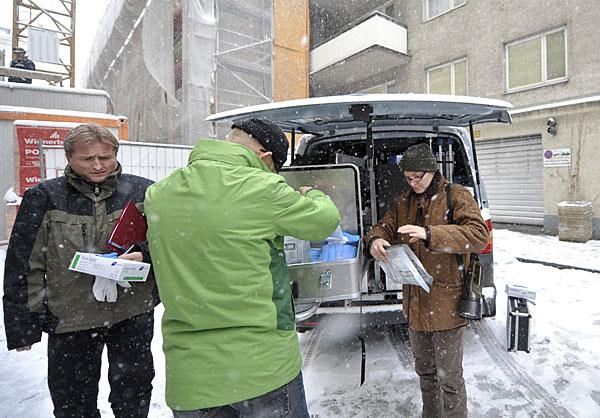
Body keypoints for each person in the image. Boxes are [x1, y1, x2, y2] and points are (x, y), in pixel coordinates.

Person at [145, 118, 340, 417]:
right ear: (265, 156)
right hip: (262, 366)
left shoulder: (160, 193)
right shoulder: (262, 187)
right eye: (274, 168)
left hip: (191, 376)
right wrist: (312, 193)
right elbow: (324, 220)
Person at [2, 123, 159, 418]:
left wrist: (144, 253)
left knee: (134, 395)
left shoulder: (144, 191)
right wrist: (23, 324)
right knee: (73, 402)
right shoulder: (45, 197)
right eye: (87, 158)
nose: (98, 165)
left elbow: (168, 243)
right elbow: (24, 263)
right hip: (71, 317)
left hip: (132, 311)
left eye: (105, 157)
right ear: (69, 158)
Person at [366, 143, 489, 418]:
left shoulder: (456, 195)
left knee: (449, 379)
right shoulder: (403, 202)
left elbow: (479, 235)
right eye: (408, 178)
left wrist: (430, 233)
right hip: (415, 305)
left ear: (431, 170)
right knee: (426, 373)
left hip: (447, 304)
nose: (413, 183)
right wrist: (376, 239)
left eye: (418, 177)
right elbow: (384, 226)